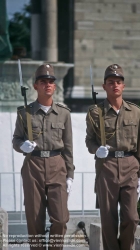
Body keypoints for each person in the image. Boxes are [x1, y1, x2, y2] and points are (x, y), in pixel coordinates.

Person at [12, 64, 74, 250]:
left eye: (50, 82)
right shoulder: (25, 113)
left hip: (57, 165)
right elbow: (16, 139)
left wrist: (70, 174)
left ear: (55, 86)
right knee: (34, 219)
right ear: (35, 86)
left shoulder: (63, 113)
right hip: (33, 166)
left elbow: (69, 146)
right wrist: (22, 146)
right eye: (43, 82)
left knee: (61, 219)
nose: (47, 84)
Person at [85, 64, 140, 250]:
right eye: (111, 82)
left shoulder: (135, 112)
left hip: (130, 165)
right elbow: (89, 141)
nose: (115, 85)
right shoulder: (96, 113)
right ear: (104, 86)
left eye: (118, 82)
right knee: (108, 218)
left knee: (131, 217)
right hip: (107, 166)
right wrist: (97, 150)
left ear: (123, 86)